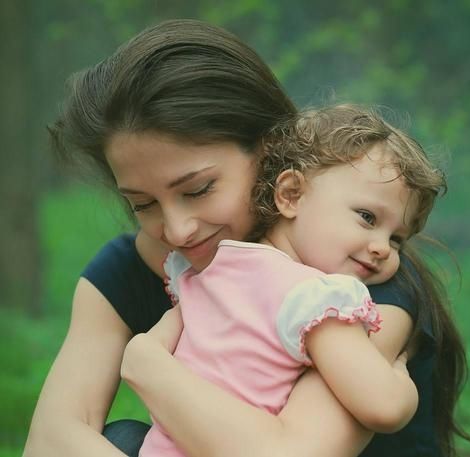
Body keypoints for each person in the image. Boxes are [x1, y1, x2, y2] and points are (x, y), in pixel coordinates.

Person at [23, 19, 470, 457]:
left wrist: (148, 365)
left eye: (198, 189)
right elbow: (49, 442)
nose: (177, 230)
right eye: (143, 204)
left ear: (271, 153)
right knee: (122, 439)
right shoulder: (129, 270)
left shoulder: (358, 275)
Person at [132, 104, 443, 457]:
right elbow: (383, 407)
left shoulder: (205, 268)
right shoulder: (314, 298)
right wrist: (400, 375)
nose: (382, 249)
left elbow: (146, 243)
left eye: (397, 239)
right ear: (291, 195)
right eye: (368, 217)